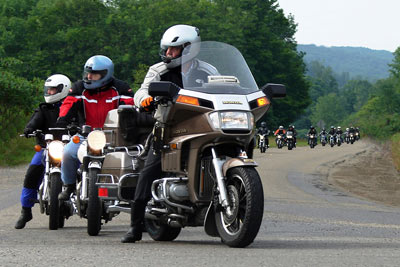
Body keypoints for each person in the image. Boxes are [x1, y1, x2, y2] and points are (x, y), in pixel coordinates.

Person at [121, 24, 219, 243]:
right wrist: (144, 100)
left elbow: (222, 89)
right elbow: (142, 90)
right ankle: (135, 226)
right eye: (166, 50)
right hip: (168, 127)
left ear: (189, 48)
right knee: (149, 170)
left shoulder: (209, 71)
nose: (168, 54)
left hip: (203, 126)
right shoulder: (159, 71)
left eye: (173, 50)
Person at [57, 55, 134, 200]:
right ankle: (69, 186)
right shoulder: (79, 88)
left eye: (94, 74)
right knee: (67, 153)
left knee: (129, 159)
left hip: (113, 137)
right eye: (87, 73)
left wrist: (129, 124)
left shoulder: (121, 88)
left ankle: (125, 189)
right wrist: (62, 119)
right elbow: (68, 104)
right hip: (85, 134)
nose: (89, 76)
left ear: (106, 74)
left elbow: (131, 108)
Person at [15, 74, 71, 229]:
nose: (50, 93)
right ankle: (26, 210)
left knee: (83, 168)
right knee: (32, 172)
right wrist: (29, 129)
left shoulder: (73, 106)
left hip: (69, 148)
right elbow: (34, 121)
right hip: (47, 148)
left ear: (63, 89)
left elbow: (80, 121)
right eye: (49, 90)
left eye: (53, 90)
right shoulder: (43, 109)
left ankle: (88, 199)